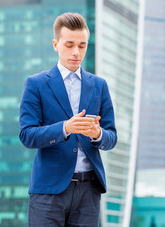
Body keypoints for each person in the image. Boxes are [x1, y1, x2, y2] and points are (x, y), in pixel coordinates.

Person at [19, 12, 117, 227]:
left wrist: (97, 134)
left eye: (82, 45)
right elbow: (27, 135)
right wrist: (65, 128)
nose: (76, 52)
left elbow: (112, 137)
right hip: (49, 192)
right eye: (69, 44)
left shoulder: (99, 85)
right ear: (55, 44)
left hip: (89, 192)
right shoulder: (36, 84)